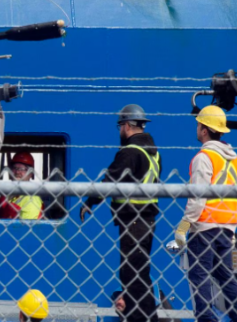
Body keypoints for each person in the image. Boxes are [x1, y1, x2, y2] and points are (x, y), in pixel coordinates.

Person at [80, 104, 162, 322]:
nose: (120, 131)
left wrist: (90, 202)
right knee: (140, 275)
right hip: (147, 220)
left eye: (120, 127)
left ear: (126, 125)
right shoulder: (153, 153)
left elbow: (111, 180)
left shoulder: (130, 152)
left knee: (131, 276)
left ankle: (141, 319)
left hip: (133, 221)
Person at [174, 105, 237, 322]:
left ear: (204, 130)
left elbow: (198, 197)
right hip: (225, 228)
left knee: (200, 276)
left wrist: (184, 227)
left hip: (204, 227)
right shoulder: (233, 159)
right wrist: (232, 229)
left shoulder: (203, 157)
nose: (197, 129)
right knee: (226, 277)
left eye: (198, 125)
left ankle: (206, 319)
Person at [0, 152, 44, 220]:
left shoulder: (32, 199)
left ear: (30, 174)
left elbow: (27, 226)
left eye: (22, 169)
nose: (17, 172)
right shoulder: (10, 194)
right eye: (15, 168)